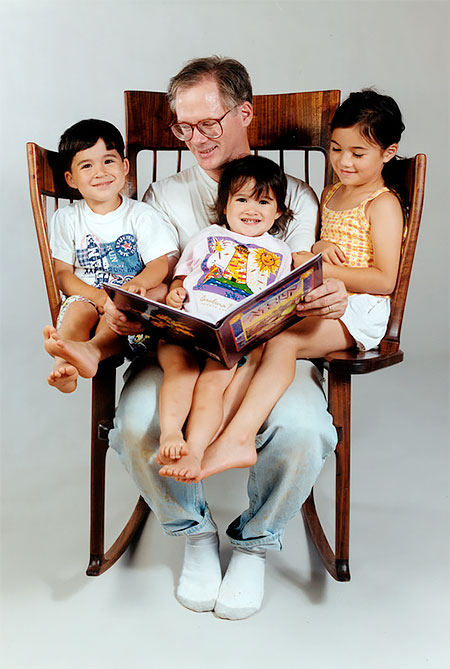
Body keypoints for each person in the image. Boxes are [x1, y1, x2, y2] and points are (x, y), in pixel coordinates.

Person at [105, 56, 348, 620]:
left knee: (305, 429)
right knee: (139, 425)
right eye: (182, 128)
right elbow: (163, 275)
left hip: (265, 352)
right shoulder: (166, 197)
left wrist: (328, 295)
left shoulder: (297, 201)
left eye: (208, 123)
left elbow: (306, 278)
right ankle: (193, 531)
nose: (195, 139)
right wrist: (150, 302)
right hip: (183, 353)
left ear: (244, 113)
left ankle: (257, 543)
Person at [198, 89, 405, 482]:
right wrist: (321, 247)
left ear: (388, 153)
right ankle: (215, 431)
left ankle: (239, 437)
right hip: (324, 299)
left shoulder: (382, 203)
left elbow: (385, 279)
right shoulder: (332, 193)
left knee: (282, 340)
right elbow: (327, 246)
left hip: (361, 310)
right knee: (259, 333)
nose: (344, 161)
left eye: (358, 153)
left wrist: (319, 267)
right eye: (336, 148)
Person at [157, 155, 294, 481]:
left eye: (263, 202)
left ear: (277, 212)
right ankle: (171, 434)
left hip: (231, 340)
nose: (252, 209)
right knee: (180, 371)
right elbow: (182, 274)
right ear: (225, 206)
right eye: (242, 199)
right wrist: (175, 290)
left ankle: (195, 451)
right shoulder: (208, 236)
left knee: (210, 386)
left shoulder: (278, 252)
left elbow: (277, 301)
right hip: (188, 327)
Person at [43, 119, 176, 393]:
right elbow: (63, 274)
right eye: (87, 165)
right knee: (79, 308)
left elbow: (158, 264)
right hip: (87, 297)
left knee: (123, 307)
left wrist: (133, 287)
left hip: (129, 310)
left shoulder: (141, 215)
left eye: (108, 161)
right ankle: (63, 367)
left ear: (125, 166)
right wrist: (100, 298)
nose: (100, 172)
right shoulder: (67, 218)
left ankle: (92, 350)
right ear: (71, 179)